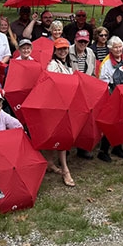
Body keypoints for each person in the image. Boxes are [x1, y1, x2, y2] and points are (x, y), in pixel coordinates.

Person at [45, 38, 76, 186]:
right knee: (61, 136)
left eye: (65, 49)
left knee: (58, 135)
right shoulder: (52, 65)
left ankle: (50, 162)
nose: (62, 51)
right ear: (55, 51)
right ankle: (65, 169)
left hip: (65, 103)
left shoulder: (67, 65)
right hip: (57, 105)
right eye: (59, 49)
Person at [97, 36, 123, 160]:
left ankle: (118, 147)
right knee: (111, 124)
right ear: (110, 49)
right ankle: (104, 150)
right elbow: (103, 84)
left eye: (120, 47)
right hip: (112, 97)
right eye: (115, 47)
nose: (118, 49)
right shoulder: (106, 64)